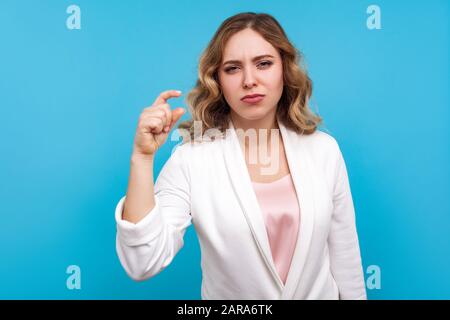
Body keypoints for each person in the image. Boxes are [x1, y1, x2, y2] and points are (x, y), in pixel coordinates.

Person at [115, 12, 367, 300]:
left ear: (284, 69)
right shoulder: (191, 160)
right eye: (233, 68)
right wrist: (142, 157)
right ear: (217, 80)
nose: (249, 80)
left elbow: (346, 260)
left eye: (264, 64)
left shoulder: (324, 150)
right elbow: (141, 263)